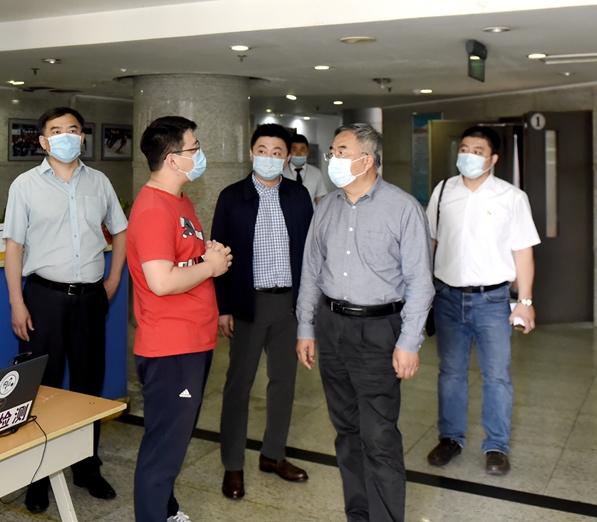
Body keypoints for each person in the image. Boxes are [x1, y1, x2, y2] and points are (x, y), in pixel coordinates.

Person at [295, 122, 434, 522]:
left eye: (341, 152)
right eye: (333, 152)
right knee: (346, 431)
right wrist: (306, 328)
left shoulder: (403, 208)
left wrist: (409, 342)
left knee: (379, 435)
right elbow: (311, 271)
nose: (332, 159)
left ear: (367, 160)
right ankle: (358, 514)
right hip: (332, 326)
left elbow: (420, 283)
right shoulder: (327, 207)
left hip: (378, 330)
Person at [3, 106, 128, 511]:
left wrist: (112, 281)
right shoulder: (25, 185)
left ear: (83, 137)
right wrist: (17, 302)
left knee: (89, 387)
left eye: (73, 129)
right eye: (57, 131)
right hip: (43, 298)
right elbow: (13, 248)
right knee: (42, 388)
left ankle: (87, 467)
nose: (66, 136)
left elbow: (121, 231)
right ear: (43, 141)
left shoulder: (99, 182)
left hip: (91, 298)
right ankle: (37, 476)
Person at [128, 116, 232, 522]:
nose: (200, 154)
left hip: (192, 339)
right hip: (171, 347)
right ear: (172, 159)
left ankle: (166, 510)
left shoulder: (180, 201)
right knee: (164, 448)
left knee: (173, 439)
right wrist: (210, 267)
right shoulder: (154, 208)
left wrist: (206, 257)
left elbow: (182, 259)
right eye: (194, 148)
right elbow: (161, 280)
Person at [425, 126, 540, 476]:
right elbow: (430, 243)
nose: (468, 156)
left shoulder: (511, 197)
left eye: (478, 151)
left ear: (493, 159)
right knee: (450, 373)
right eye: (464, 148)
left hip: (492, 300)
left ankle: (496, 447)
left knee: (497, 376)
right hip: (447, 297)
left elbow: (523, 252)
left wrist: (525, 300)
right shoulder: (443, 191)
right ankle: (450, 439)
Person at [211, 123, 314, 499]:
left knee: (283, 384)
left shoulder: (299, 195)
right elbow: (218, 255)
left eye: (277, 152)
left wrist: (308, 308)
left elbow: (310, 253)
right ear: (251, 153)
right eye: (262, 150)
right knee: (238, 386)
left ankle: (273, 454)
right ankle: (232, 464)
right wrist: (223, 308)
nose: (269, 157)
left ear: (287, 158)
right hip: (246, 304)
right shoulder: (231, 196)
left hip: (288, 305)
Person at [281, 133, 329, 208]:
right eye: (294, 150)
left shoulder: (316, 173)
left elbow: (320, 200)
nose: (298, 154)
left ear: (307, 152)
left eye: (302, 150)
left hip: (311, 215)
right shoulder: (281, 172)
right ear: (289, 152)